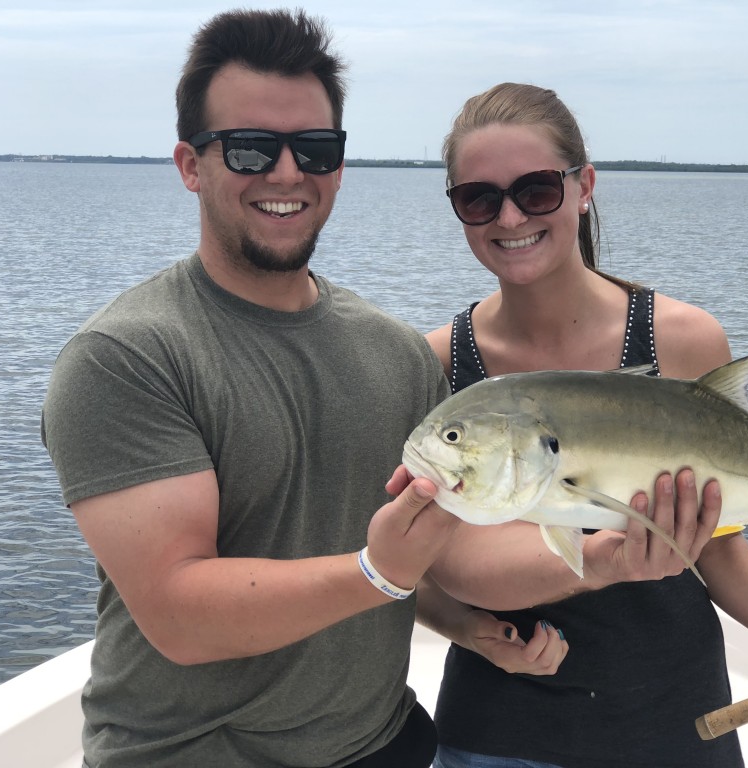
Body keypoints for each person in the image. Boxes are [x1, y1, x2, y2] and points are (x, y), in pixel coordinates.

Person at [418, 82, 748, 768]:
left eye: (536, 189)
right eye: (479, 197)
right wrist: (464, 626)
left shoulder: (679, 339)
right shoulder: (437, 363)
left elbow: (713, 535)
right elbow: (417, 559)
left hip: (678, 722)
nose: (509, 217)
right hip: (500, 731)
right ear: (457, 209)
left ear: (584, 185)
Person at [40, 9, 459, 767]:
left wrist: (601, 559)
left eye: (317, 148)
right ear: (190, 165)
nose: (288, 173)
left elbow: (430, 556)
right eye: (251, 147)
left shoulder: (399, 353)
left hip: (385, 743)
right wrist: (378, 571)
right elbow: (179, 615)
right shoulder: (126, 357)